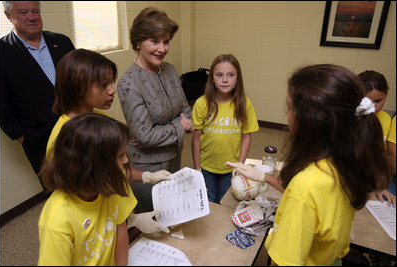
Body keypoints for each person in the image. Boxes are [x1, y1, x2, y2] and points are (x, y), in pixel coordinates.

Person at [228, 64, 391, 265]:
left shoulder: (305, 188)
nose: (286, 114)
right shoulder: (346, 162)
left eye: (289, 106)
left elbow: (287, 261)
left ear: (307, 121)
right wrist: (263, 177)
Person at [38, 113, 169, 265]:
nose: (126, 159)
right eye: (120, 155)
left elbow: (121, 229)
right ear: (92, 167)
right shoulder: (57, 222)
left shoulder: (110, 185)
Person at [46, 48, 171, 193]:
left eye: (111, 82)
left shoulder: (102, 120)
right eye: (104, 85)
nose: (112, 90)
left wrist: (147, 176)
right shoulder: (63, 137)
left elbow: (112, 169)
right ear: (78, 87)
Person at [117, 7, 193, 213]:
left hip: (174, 156)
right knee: (150, 217)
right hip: (147, 166)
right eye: (154, 41)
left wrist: (185, 121)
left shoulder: (169, 70)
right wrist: (180, 126)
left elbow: (187, 110)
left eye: (166, 41)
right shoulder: (129, 83)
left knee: (171, 211)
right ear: (138, 42)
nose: (162, 48)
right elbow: (144, 136)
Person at [0, 1, 75, 187]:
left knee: (94, 182)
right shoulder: (1, 52)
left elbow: (80, 82)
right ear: (9, 16)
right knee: (60, 192)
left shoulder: (62, 42)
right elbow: (1, 104)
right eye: (23, 12)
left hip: (77, 129)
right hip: (39, 141)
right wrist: (21, 136)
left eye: (35, 11)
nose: (32, 17)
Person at [191, 54, 259, 203]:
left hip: (231, 168)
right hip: (206, 167)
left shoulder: (244, 104)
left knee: (225, 202)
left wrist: (240, 165)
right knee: (208, 202)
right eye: (219, 75)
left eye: (231, 75)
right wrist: (197, 168)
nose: (225, 80)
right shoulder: (202, 103)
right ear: (212, 79)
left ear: (237, 78)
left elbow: (246, 136)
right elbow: (196, 138)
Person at [358, 70, 396, 207]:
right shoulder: (348, 119)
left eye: (378, 101)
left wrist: (379, 186)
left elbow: (380, 158)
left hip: (371, 179)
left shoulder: (386, 120)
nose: (373, 107)